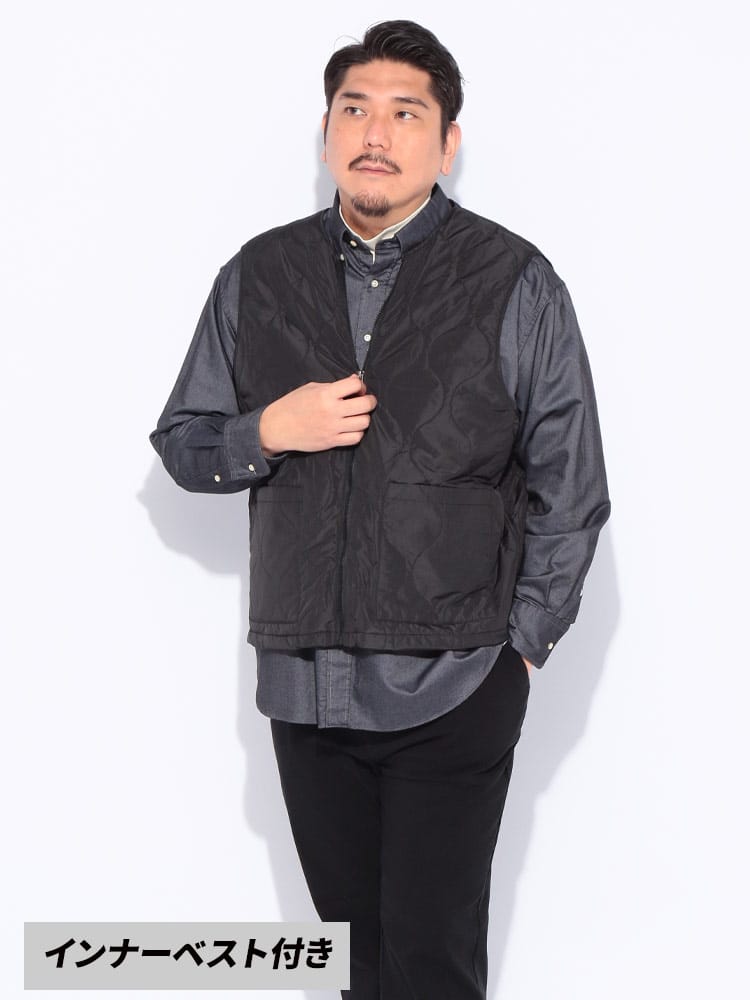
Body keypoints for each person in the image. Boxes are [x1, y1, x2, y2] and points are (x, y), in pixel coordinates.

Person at [150, 19, 610, 1000]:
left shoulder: (514, 280)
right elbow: (184, 442)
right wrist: (269, 427)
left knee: (432, 968)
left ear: (447, 144)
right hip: (304, 687)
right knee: (354, 965)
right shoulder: (258, 275)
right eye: (354, 109)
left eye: (407, 114)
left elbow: (570, 487)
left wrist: (519, 651)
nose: (375, 132)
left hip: (455, 681)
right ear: (325, 134)